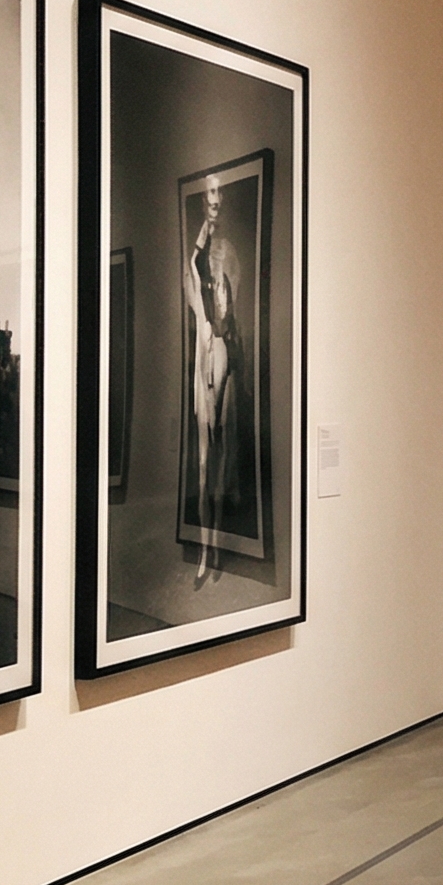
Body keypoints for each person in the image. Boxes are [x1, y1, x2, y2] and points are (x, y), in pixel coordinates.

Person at [183, 179, 241, 584]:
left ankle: (217, 544)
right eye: (209, 194)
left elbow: (229, 317)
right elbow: (193, 290)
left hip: (222, 354)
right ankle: (206, 548)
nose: (215, 201)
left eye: (220, 194)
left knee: (222, 453)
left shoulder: (230, 255)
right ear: (204, 201)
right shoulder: (194, 259)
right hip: (204, 353)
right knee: (204, 463)